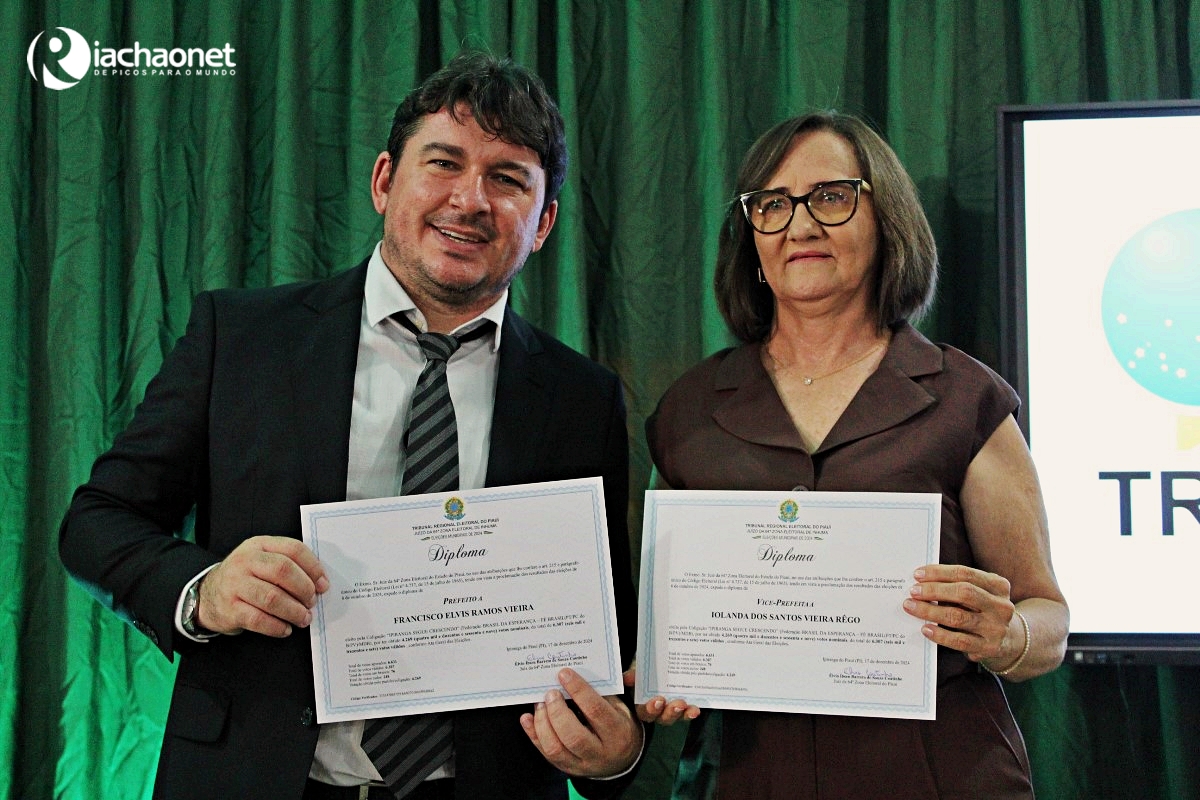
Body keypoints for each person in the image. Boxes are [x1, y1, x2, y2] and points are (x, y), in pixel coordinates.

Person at [59, 51, 643, 800]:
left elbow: (605, 631)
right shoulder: (241, 338)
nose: (470, 200)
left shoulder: (582, 397)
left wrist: (616, 754)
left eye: (508, 179)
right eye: (444, 163)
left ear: (543, 223)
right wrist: (204, 590)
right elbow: (97, 523)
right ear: (383, 181)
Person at [639, 111, 1069, 798]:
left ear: (886, 219)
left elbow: (1048, 616)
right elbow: (662, 617)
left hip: (937, 775)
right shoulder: (689, 410)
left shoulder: (965, 399)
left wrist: (1009, 634)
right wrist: (660, 669)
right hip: (747, 777)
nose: (801, 226)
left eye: (831, 197)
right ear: (751, 238)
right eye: (772, 205)